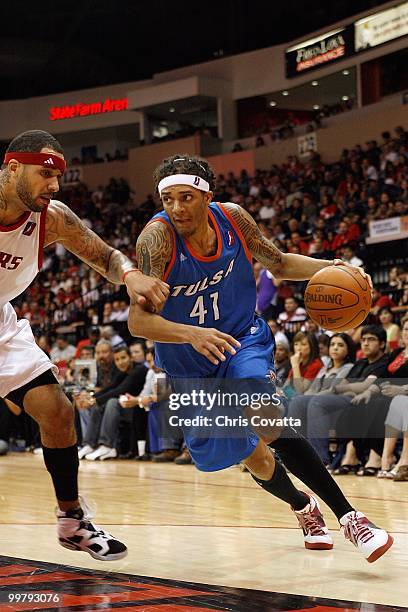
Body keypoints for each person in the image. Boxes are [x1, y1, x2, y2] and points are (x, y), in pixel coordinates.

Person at [128, 154, 392, 563]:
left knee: (265, 417)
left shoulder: (233, 219)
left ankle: (352, 519)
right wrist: (191, 334)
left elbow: (281, 265)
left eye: (185, 197)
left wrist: (336, 267)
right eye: (167, 199)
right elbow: (138, 321)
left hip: (240, 340)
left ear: (206, 195)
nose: (176, 208)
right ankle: (302, 506)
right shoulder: (157, 240)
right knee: (253, 455)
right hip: (189, 361)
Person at [0, 129, 169, 561]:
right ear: (13, 168)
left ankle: (71, 521)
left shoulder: (52, 219)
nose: (54, 186)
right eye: (45, 174)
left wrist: (131, 275)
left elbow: (108, 256)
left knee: (57, 410)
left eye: (58, 176)